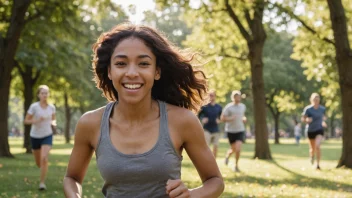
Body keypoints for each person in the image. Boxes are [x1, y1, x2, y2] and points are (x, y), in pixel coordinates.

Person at [63, 24, 224, 197]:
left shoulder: (182, 121)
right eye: (121, 63)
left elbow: (215, 181)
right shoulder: (90, 123)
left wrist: (190, 196)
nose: (132, 72)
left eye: (143, 63)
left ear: (157, 71)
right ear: (110, 71)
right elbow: (71, 178)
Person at [24, 85, 56, 190]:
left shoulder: (52, 107)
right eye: (42, 93)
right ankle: (42, 167)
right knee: (39, 162)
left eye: (46, 93)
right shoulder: (34, 107)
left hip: (47, 135)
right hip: (35, 136)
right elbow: (26, 121)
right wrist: (36, 120)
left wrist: (53, 124)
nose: (44, 95)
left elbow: (53, 120)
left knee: (44, 158)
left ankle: (42, 184)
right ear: (38, 95)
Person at [221, 90, 246, 172]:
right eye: (236, 97)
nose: (238, 98)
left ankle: (236, 165)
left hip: (240, 130)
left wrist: (244, 118)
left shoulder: (243, 106)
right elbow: (223, 118)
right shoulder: (229, 107)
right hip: (231, 131)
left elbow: (242, 116)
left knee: (238, 149)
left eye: (239, 97)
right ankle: (227, 156)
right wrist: (230, 118)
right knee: (233, 149)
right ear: (233, 98)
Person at [301, 93, 327, 170]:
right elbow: (303, 119)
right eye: (314, 99)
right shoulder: (308, 109)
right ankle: (312, 156)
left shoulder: (322, 109)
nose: (316, 101)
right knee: (312, 148)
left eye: (317, 99)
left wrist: (323, 122)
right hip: (310, 130)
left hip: (319, 129)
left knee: (317, 146)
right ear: (311, 100)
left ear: (319, 100)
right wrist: (307, 120)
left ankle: (318, 164)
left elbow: (324, 117)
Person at [198, 90, 222, 158]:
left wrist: (219, 120)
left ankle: (214, 161)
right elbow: (199, 115)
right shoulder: (204, 107)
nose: (211, 97)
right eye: (210, 95)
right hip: (206, 129)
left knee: (215, 146)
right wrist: (202, 119)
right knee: (206, 147)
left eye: (212, 95)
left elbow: (220, 117)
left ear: (215, 96)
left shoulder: (219, 107)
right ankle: (206, 159)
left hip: (216, 130)